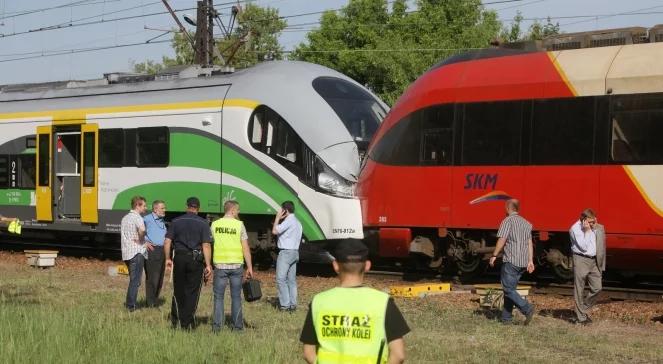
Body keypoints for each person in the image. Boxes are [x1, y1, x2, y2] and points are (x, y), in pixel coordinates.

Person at [300, 239, 409, 364]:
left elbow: (308, 353)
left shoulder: (319, 301)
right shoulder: (383, 302)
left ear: (335, 265)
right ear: (367, 265)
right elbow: (398, 355)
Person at [164, 197, 212, 330]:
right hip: (195, 260)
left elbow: (167, 241)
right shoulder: (203, 223)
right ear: (199, 208)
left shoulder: (176, 221)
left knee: (178, 289)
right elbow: (206, 245)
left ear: (186, 206)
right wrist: (208, 265)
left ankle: (175, 321)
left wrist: (168, 258)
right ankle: (187, 323)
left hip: (179, 257)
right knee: (192, 291)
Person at [489, 199, 536, 325]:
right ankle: (506, 319)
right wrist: (530, 260)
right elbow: (529, 243)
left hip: (511, 260)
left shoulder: (507, 221)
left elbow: (502, 239)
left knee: (508, 289)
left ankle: (527, 308)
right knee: (510, 290)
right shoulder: (526, 223)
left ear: (508, 208)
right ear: (517, 208)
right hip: (522, 262)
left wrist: (494, 255)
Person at [210, 200, 254, 332]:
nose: (239, 212)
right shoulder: (239, 225)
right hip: (236, 266)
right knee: (236, 296)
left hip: (220, 266)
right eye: (238, 210)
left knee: (218, 297)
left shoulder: (214, 224)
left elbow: (209, 243)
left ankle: (217, 327)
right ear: (233, 210)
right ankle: (237, 327)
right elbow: (245, 247)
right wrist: (250, 267)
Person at [570, 208, 606, 325]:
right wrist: (587, 231)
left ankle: (582, 310)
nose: (592, 224)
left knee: (597, 288)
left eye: (593, 221)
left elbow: (602, 246)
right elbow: (584, 247)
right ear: (583, 220)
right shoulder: (575, 229)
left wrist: (595, 227)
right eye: (590, 222)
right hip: (581, 259)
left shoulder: (595, 227)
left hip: (594, 261)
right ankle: (581, 317)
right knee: (579, 289)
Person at [272, 200, 303, 312]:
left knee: (280, 279)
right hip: (295, 252)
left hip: (285, 253)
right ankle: (293, 305)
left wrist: (277, 218)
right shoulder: (298, 222)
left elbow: (274, 231)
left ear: (285, 210)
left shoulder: (289, 221)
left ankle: (285, 305)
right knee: (291, 280)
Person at [120, 196, 149, 312]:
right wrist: (141, 239)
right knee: (135, 281)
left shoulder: (125, 218)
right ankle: (130, 306)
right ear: (137, 205)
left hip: (127, 252)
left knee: (134, 280)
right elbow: (142, 230)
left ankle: (129, 304)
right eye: (144, 205)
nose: (146, 208)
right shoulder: (138, 218)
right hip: (136, 252)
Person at [144, 200, 167, 307]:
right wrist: (145, 242)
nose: (164, 210)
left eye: (164, 208)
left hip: (162, 251)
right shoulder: (147, 219)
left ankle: (155, 300)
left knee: (160, 278)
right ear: (155, 209)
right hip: (153, 251)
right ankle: (150, 303)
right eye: (162, 208)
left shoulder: (161, 220)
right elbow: (136, 231)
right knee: (153, 278)